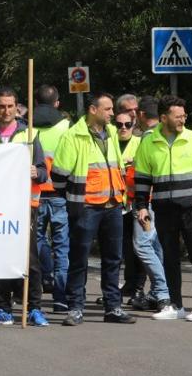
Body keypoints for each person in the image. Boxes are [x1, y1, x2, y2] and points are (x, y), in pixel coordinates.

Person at [133, 95, 192, 322]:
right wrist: (141, 207)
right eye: (178, 115)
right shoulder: (149, 142)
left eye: (184, 115)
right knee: (169, 258)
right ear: (164, 117)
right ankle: (176, 304)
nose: (183, 119)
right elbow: (142, 179)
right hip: (163, 210)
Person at [51, 92, 134, 325]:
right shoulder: (73, 136)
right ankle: (76, 307)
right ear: (93, 110)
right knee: (79, 258)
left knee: (113, 259)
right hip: (86, 206)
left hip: (113, 204)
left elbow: (116, 166)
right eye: (107, 109)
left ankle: (113, 307)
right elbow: (58, 175)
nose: (112, 114)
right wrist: (73, 199)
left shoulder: (111, 133)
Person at [0, 89, 49, 327]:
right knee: (0, 257)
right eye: (1, 106)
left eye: (10, 106)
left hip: (25, 205)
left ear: (17, 108)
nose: (6, 111)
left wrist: (35, 172)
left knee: (30, 258)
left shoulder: (29, 134)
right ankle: (3, 309)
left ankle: (34, 308)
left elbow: (43, 171)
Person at [117, 109, 168, 311]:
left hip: (142, 202)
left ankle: (159, 290)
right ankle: (154, 290)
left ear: (136, 122)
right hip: (123, 203)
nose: (123, 128)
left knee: (144, 246)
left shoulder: (143, 141)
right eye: (119, 124)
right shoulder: (111, 142)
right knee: (135, 249)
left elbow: (145, 173)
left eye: (127, 124)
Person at [32, 84, 71, 311]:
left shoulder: (25, 127)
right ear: (57, 103)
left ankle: (34, 297)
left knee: (33, 249)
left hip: (34, 194)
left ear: (36, 102)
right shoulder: (67, 127)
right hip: (59, 194)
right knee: (62, 247)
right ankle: (60, 298)